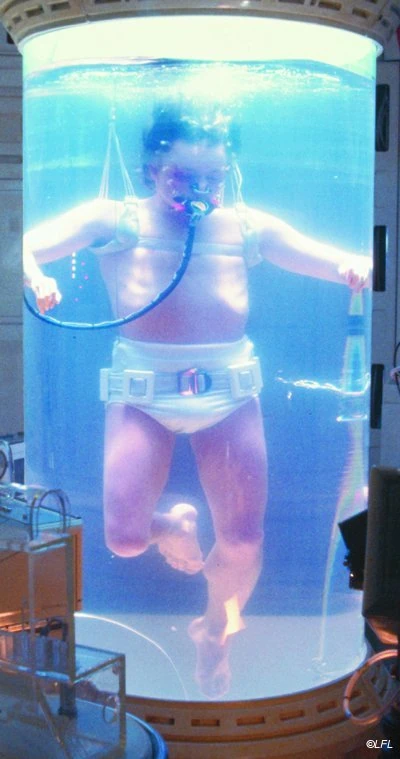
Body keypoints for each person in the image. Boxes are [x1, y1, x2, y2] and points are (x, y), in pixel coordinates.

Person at [23, 103, 371, 699]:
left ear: (228, 172)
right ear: (151, 169)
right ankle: (171, 524)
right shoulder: (118, 218)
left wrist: (351, 266)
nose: (198, 190)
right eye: (182, 176)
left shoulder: (245, 226)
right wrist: (37, 274)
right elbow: (25, 245)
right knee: (126, 537)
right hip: (142, 391)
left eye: (212, 177)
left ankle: (216, 629)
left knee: (242, 538)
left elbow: (326, 257)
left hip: (229, 390)